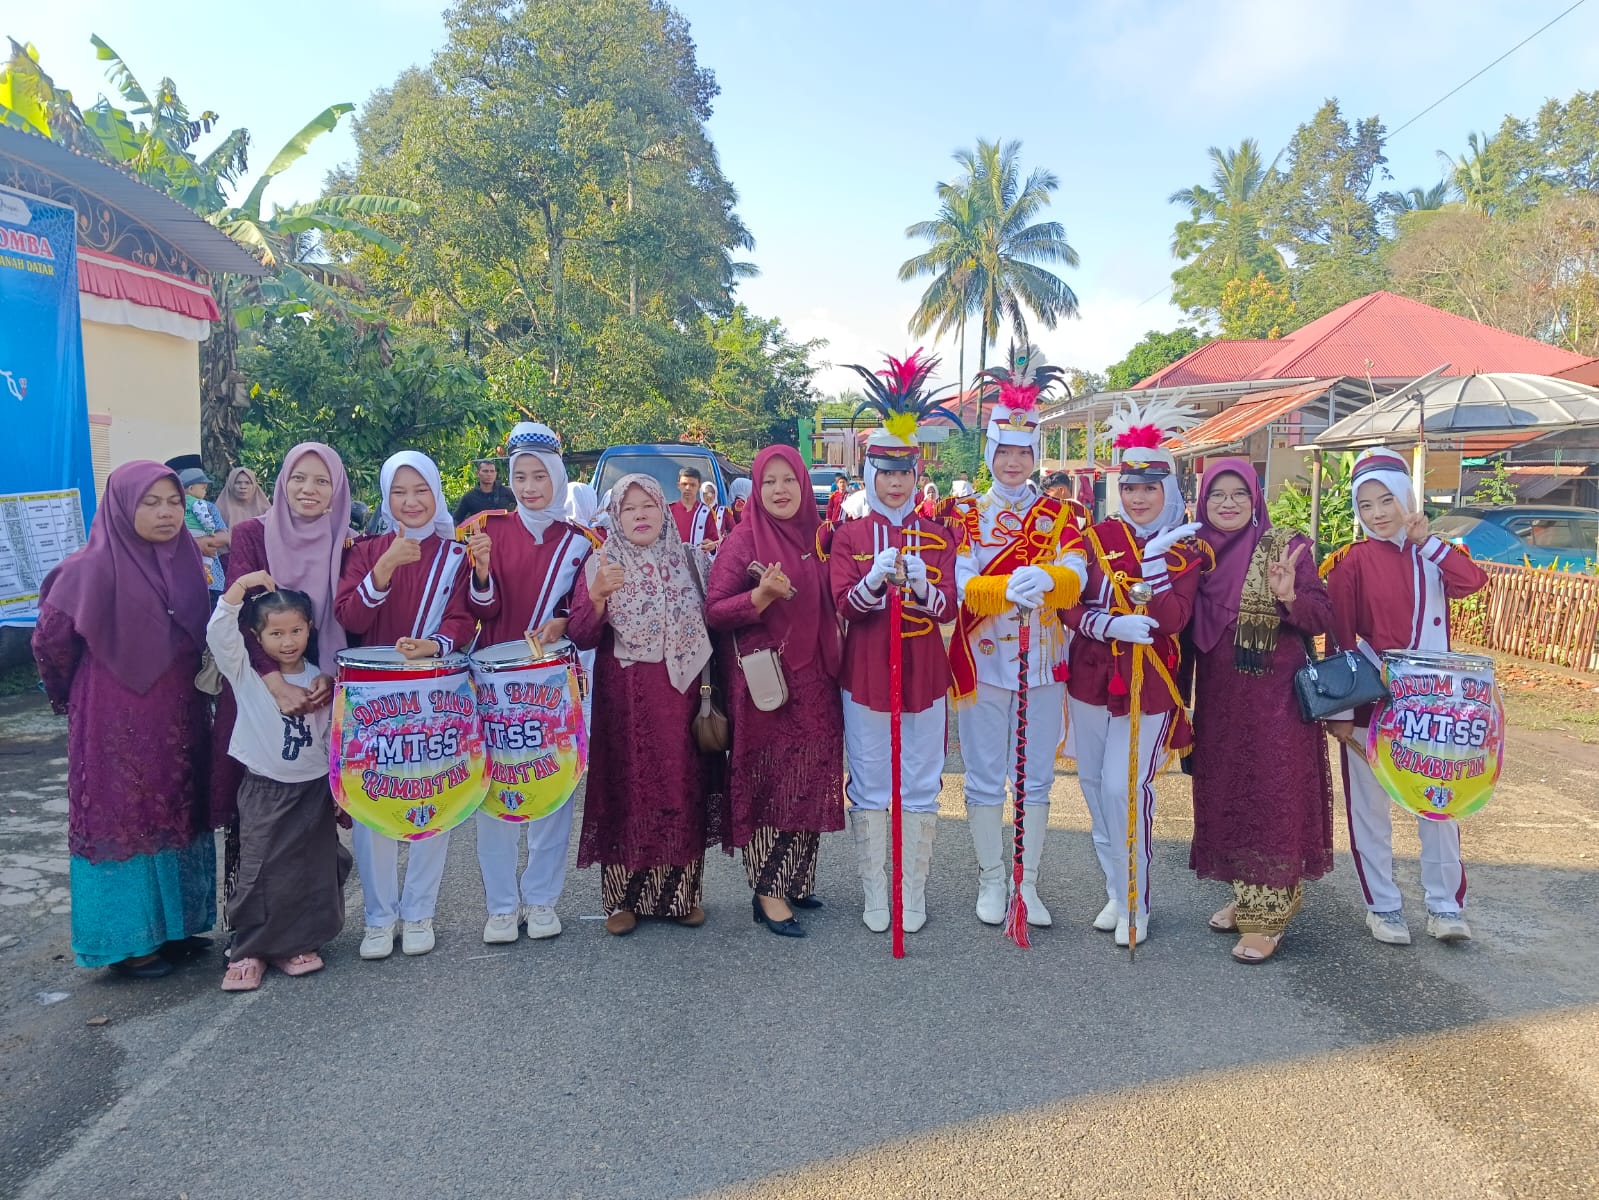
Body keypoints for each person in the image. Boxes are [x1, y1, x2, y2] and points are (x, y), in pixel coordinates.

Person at [33, 462, 215, 979]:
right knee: (125, 817)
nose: (165, 513)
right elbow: (49, 644)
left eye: (174, 502)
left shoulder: (185, 562)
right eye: (150, 502)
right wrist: (74, 697)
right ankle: (129, 943)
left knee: (178, 804)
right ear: (121, 506)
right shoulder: (86, 568)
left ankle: (178, 928)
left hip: (179, 713)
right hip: (113, 716)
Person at [945, 345, 1086, 928]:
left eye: (1022, 453)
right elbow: (959, 583)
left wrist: (1048, 577)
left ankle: (1027, 882)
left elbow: (1077, 573)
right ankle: (991, 879)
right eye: (1003, 451)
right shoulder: (966, 515)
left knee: (1036, 778)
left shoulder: (1062, 517)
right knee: (983, 776)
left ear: (1034, 455)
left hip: (1042, 660)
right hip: (984, 662)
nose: (1012, 462)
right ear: (990, 454)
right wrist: (1006, 589)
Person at [1325, 449, 1488, 946]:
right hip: (1375, 706)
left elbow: (1473, 583)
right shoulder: (1350, 562)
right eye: (1366, 504)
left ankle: (1444, 905)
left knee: (1439, 806)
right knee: (1370, 810)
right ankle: (1384, 906)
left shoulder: (1436, 554)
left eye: (1387, 500)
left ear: (1407, 499)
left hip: (1437, 711)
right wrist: (1343, 712)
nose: (1377, 513)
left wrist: (1429, 544)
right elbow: (1340, 640)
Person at [1064, 398, 1209, 947]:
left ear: (1167, 489)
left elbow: (1172, 619)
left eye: (1149, 488)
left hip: (1150, 685)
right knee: (1096, 790)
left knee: (1127, 790)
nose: (1138, 497)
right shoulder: (1094, 539)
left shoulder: (1186, 548)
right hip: (1091, 678)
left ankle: (1136, 903)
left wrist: (1153, 568)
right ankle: (1115, 888)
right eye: (1129, 487)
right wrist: (1104, 625)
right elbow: (1070, 607)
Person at [829, 351, 960, 934]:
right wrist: (874, 579)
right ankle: (876, 891)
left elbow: (949, 607)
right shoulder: (848, 534)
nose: (896, 481)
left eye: (905, 471)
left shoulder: (936, 535)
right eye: (886, 471)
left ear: (915, 474)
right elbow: (843, 606)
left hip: (925, 673)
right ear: (869, 475)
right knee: (872, 781)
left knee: (922, 781)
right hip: (865, 674)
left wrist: (922, 586)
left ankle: (913, 890)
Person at [1188, 458, 1334, 964]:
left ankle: (1269, 917)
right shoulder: (1195, 551)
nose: (1227, 504)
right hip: (1219, 698)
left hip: (1275, 700)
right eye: (1217, 495)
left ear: (1255, 500)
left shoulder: (1286, 547)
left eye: (1238, 495)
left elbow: (1320, 613)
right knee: (1229, 789)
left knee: (1272, 792)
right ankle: (1247, 893)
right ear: (1203, 500)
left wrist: (1289, 594)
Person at [336, 451, 477, 960]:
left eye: (421, 490)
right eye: (400, 492)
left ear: (437, 492)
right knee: (374, 801)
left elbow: (464, 619)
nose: (411, 501)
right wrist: (385, 567)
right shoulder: (365, 549)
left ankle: (419, 912)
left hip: (433, 694)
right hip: (373, 698)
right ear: (386, 496)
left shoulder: (456, 555)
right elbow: (349, 614)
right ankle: (378, 917)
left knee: (428, 795)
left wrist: (435, 645)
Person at [568, 475, 724, 934]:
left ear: (664, 510)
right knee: (630, 790)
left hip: (683, 700)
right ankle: (622, 901)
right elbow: (581, 633)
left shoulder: (693, 561)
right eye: (629, 508)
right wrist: (597, 595)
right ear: (615, 516)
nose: (640, 515)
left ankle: (681, 896)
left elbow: (717, 619)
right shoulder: (602, 562)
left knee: (679, 788)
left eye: (649, 506)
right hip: (627, 702)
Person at [463, 422, 597, 944]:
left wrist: (564, 620)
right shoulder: (484, 530)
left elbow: (585, 617)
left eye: (540, 475)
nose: (529, 486)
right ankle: (500, 905)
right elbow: (477, 608)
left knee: (552, 788)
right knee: (493, 793)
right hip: (493, 682)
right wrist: (480, 573)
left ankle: (541, 899)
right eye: (520, 476)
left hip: (552, 685)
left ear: (559, 477)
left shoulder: (581, 543)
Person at [706, 445, 844, 938]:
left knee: (809, 777)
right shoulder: (744, 540)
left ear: (805, 485)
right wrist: (759, 597)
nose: (780, 490)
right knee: (771, 783)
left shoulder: (820, 535)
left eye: (789, 480)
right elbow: (715, 610)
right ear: (757, 489)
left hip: (818, 679)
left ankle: (796, 878)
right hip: (766, 686)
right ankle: (768, 889)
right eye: (770, 482)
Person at [212, 444, 350, 920]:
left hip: (320, 689)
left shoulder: (344, 541)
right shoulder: (252, 533)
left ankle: (302, 928)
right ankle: (249, 930)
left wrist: (331, 677)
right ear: (282, 482)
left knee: (312, 810)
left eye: (321, 481)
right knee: (256, 814)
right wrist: (274, 683)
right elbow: (241, 617)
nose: (308, 490)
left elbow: (348, 619)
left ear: (337, 490)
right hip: (256, 683)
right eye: (298, 478)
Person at [209, 573, 350, 990]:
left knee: (310, 869)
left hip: (314, 788)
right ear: (257, 635)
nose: (287, 641)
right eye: (275, 633)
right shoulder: (245, 673)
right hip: (266, 788)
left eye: (296, 630)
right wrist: (241, 586)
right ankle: (248, 950)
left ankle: (296, 944)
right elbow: (219, 631)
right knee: (260, 870)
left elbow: (331, 738)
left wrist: (339, 791)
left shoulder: (321, 679)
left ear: (310, 629)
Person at [180, 466, 228, 600]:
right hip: (181, 582)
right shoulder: (173, 507)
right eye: (203, 488)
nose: (205, 492)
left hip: (212, 584)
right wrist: (196, 544)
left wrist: (201, 543)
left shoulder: (209, 506)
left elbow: (224, 536)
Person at [669, 465, 720, 552]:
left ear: (699, 486)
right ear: (678, 485)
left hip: (697, 563)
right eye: (684, 484)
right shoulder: (669, 510)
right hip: (672, 562)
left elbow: (715, 542)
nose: (688, 488)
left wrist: (712, 546)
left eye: (692, 485)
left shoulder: (706, 512)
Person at [452, 458, 516, 525]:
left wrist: (513, 517)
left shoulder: (506, 491)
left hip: (504, 532)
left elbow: (522, 504)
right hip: (481, 533)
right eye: (485, 471)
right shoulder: (469, 497)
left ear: (495, 474)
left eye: (492, 471)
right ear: (477, 473)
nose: (489, 474)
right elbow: (456, 520)